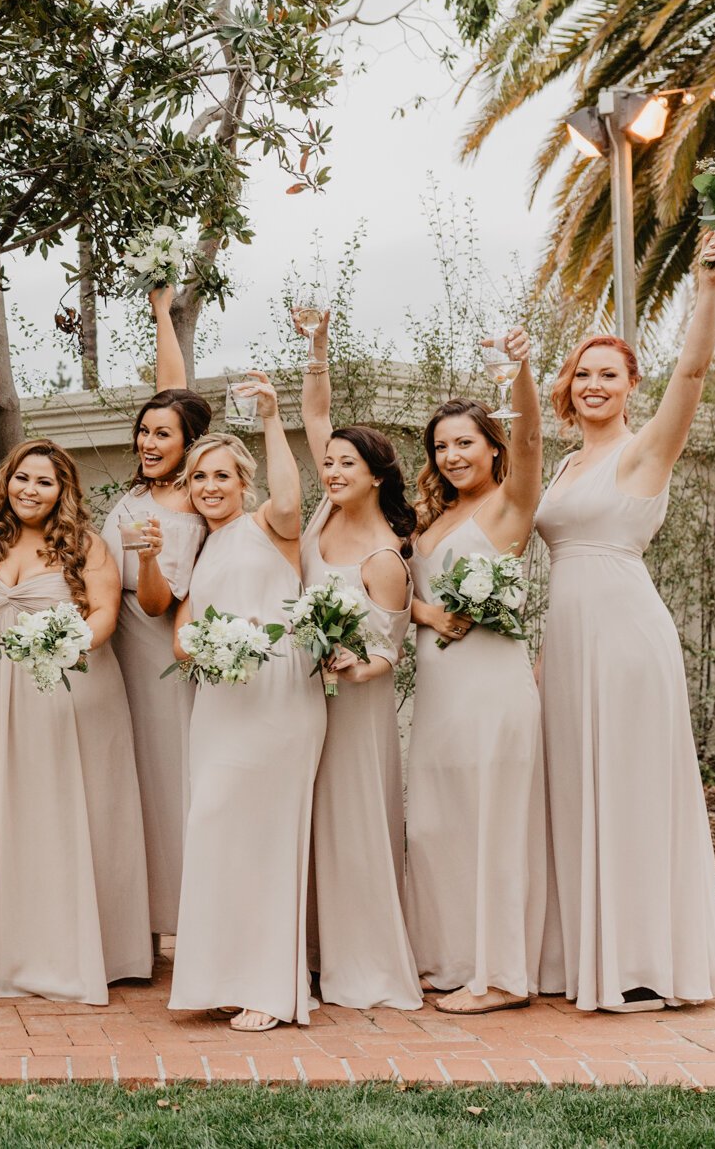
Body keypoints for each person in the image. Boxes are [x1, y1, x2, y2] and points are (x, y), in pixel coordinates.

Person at [534, 229, 715, 1013]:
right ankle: (586, 954)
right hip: (567, 635)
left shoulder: (646, 448)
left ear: (629, 386)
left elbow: (692, 369)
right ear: (570, 385)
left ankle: (648, 961)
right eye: (583, 373)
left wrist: (707, 292)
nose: (593, 385)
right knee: (575, 789)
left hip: (625, 637)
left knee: (631, 787)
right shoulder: (563, 465)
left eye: (608, 375)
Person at [0, 440, 151, 1004]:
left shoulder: (85, 546)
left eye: (44, 482)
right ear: (6, 481)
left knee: (59, 818)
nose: (30, 491)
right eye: (22, 478)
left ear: (63, 490)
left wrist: (62, 648)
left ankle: (71, 952)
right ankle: (1, 950)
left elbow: (105, 616)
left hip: (65, 698)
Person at [166, 378, 324, 1032]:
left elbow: (292, 494)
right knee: (213, 828)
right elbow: (180, 635)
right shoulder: (202, 547)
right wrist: (201, 646)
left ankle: (270, 988)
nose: (208, 486)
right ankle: (223, 976)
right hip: (219, 702)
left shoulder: (269, 525)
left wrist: (271, 416)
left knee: (264, 837)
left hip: (277, 694)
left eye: (221, 476)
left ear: (243, 482)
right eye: (199, 476)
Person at [405, 335, 553, 1015]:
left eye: (465, 442)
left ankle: (500, 977)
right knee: (437, 824)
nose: (452, 456)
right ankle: (449, 958)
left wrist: (521, 371)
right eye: (441, 446)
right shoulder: (432, 517)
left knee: (493, 821)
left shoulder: (510, 505)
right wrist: (424, 611)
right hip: (439, 693)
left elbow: (531, 443)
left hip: (493, 684)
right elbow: (393, 589)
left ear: (492, 447)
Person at [298, 326, 422, 1012]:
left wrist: (349, 663)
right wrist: (318, 350)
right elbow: (317, 415)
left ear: (377, 475)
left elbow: (387, 656)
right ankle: (314, 953)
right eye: (330, 462)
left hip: (353, 709)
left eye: (347, 464)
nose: (333, 470)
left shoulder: (382, 556)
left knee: (351, 825)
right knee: (311, 822)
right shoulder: (321, 516)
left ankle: (362, 962)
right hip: (309, 703)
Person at [100, 285, 213, 961]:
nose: (147, 440)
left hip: (159, 657)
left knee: (172, 780)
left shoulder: (192, 501)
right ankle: (139, 916)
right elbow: (173, 392)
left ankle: (183, 919)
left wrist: (144, 556)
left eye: (161, 434)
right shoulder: (143, 489)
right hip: (117, 658)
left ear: (189, 444)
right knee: (132, 782)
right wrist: (161, 315)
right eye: (143, 431)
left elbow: (157, 600)